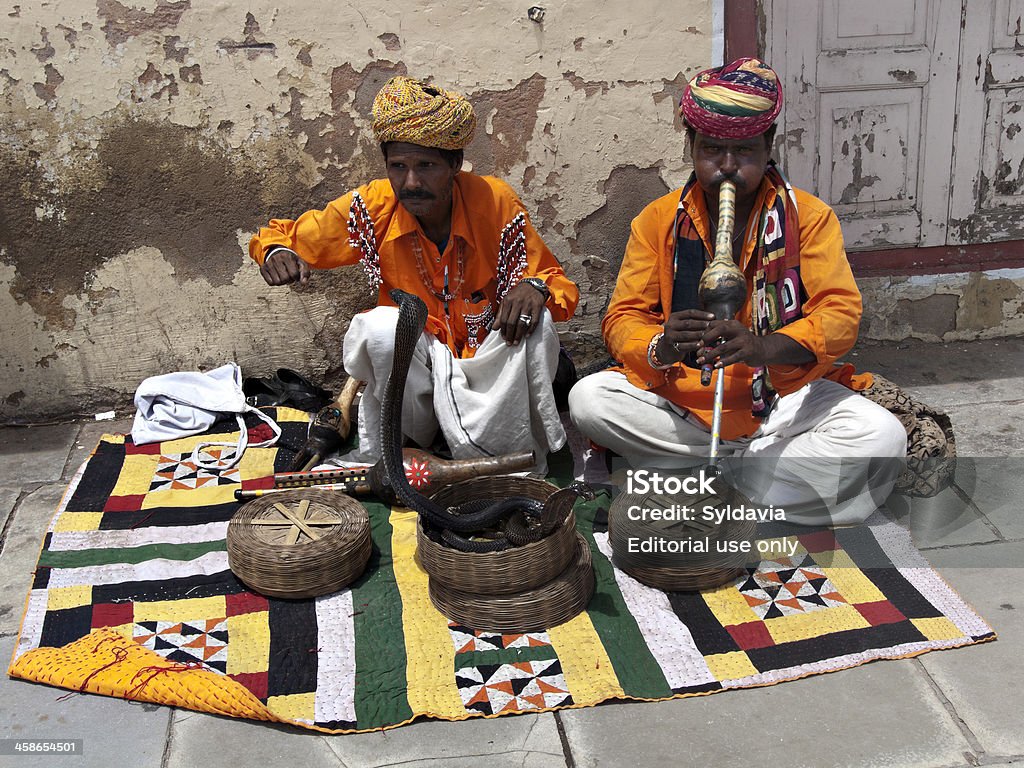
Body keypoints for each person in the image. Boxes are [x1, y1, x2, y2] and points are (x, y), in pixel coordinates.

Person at [568, 58, 906, 525]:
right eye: (712, 150)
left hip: (782, 403)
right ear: (691, 146)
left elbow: (841, 315)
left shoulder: (809, 217)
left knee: (881, 438)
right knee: (590, 399)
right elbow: (622, 317)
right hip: (687, 402)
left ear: (768, 146)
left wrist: (764, 346)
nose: (727, 166)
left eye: (744, 151)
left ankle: (703, 487)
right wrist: (663, 345)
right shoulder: (658, 220)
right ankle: (752, 488)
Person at [250, 76, 579, 469]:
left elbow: (557, 285)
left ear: (454, 164)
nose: (411, 182)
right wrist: (275, 251)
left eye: (425, 166)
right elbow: (284, 237)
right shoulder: (372, 208)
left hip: (486, 370)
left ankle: (500, 452)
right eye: (398, 166)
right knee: (379, 331)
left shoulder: (494, 202)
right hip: (418, 377)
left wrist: (535, 286)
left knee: (536, 323)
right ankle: (414, 440)